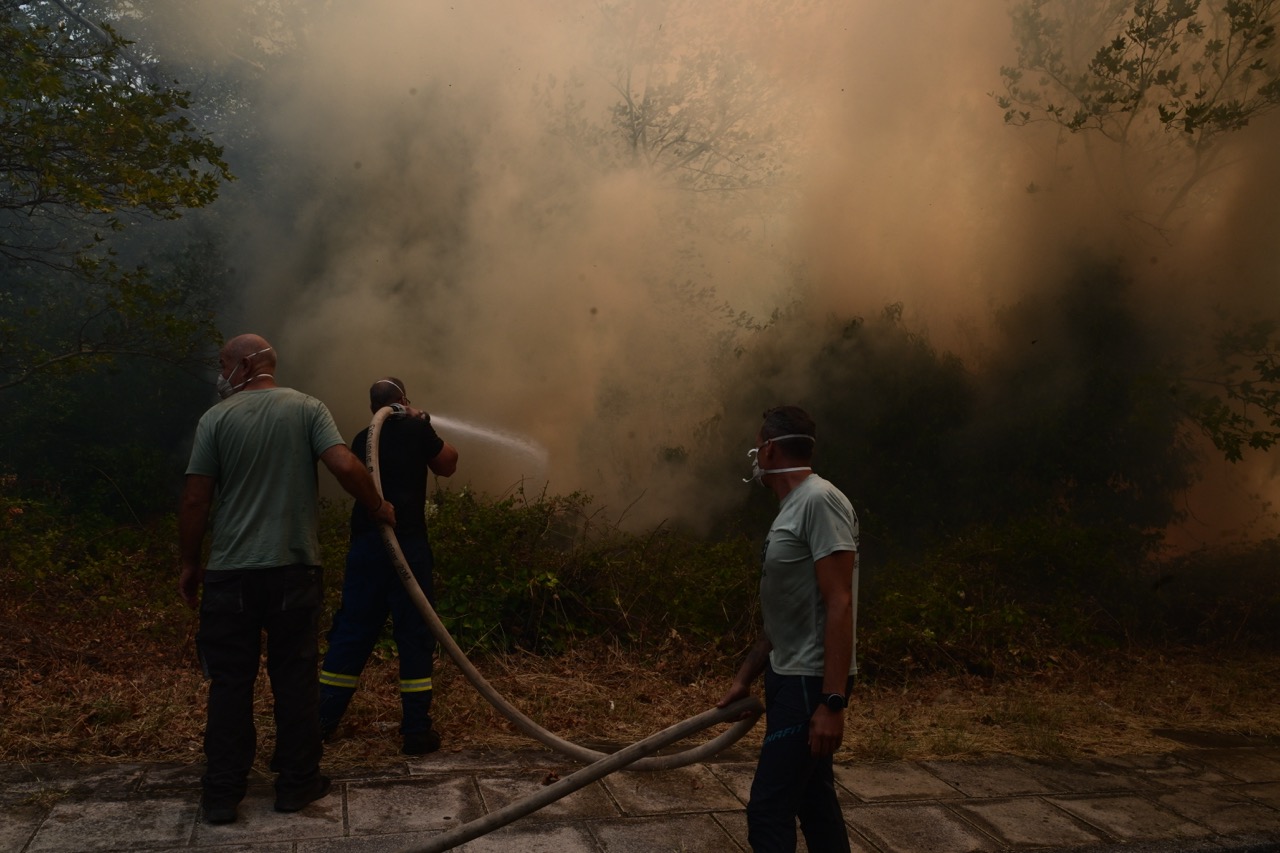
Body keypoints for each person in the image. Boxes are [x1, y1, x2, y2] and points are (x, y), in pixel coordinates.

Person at [179, 334, 396, 825]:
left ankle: (221, 795)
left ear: (248, 363)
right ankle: (297, 784)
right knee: (294, 680)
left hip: (230, 576)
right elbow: (345, 465)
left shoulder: (215, 419)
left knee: (230, 683)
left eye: (224, 364)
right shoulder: (307, 409)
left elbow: (195, 499)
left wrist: (190, 563)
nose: (221, 373)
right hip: (293, 573)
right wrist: (378, 506)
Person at [717, 405, 859, 853]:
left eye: (759, 445)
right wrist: (746, 676)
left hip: (810, 681)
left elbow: (839, 602)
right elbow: (790, 611)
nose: (755, 455)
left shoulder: (820, 501)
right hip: (788, 674)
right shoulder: (791, 508)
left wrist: (832, 702)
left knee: (769, 809)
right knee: (813, 800)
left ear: (770, 449)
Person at [318, 377, 458, 755]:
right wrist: (423, 420)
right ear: (402, 401)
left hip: (366, 545)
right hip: (406, 545)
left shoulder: (364, 437)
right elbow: (448, 465)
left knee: (352, 631)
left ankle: (322, 722)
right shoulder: (416, 428)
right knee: (414, 634)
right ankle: (415, 730)